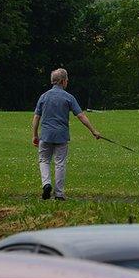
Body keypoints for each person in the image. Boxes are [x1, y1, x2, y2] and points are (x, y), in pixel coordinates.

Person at [31, 68, 101, 200]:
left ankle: (46, 184)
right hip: (61, 136)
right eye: (67, 80)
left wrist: (35, 135)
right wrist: (93, 131)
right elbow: (81, 116)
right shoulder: (68, 97)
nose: (67, 82)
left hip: (45, 135)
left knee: (44, 160)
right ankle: (59, 194)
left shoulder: (44, 96)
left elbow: (36, 117)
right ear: (63, 81)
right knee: (60, 163)